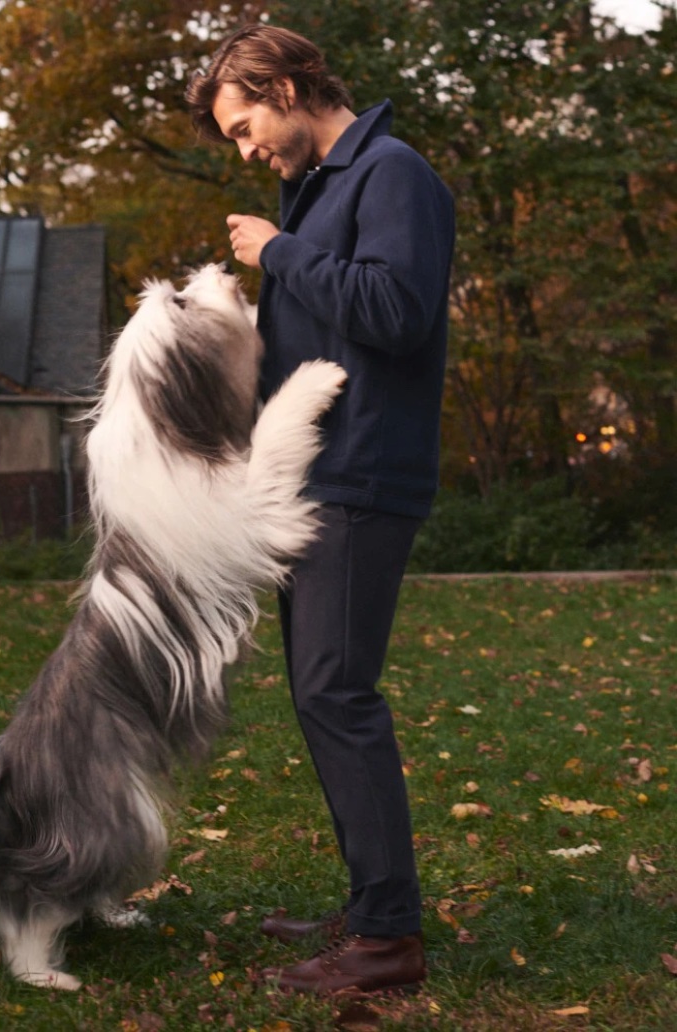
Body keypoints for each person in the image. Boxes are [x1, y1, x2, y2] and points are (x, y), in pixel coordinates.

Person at [185, 24, 455, 996]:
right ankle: (369, 906)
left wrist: (283, 253)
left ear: (291, 84)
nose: (245, 148)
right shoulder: (314, 195)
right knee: (319, 697)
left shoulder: (390, 175)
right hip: (310, 482)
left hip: (361, 476)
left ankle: (386, 943)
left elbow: (395, 312)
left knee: (336, 696)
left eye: (245, 123)